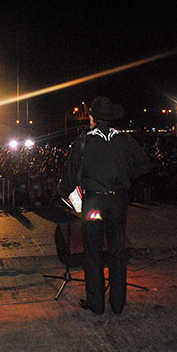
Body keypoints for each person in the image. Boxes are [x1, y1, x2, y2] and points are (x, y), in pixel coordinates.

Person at [58, 96, 152, 315]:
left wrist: (63, 193)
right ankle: (118, 304)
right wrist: (126, 177)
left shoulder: (84, 141)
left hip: (94, 206)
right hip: (118, 203)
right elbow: (145, 165)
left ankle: (97, 303)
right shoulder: (125, 139)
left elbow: (70, 176)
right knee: (117, 251)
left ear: (93, 117)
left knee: (93, 251)